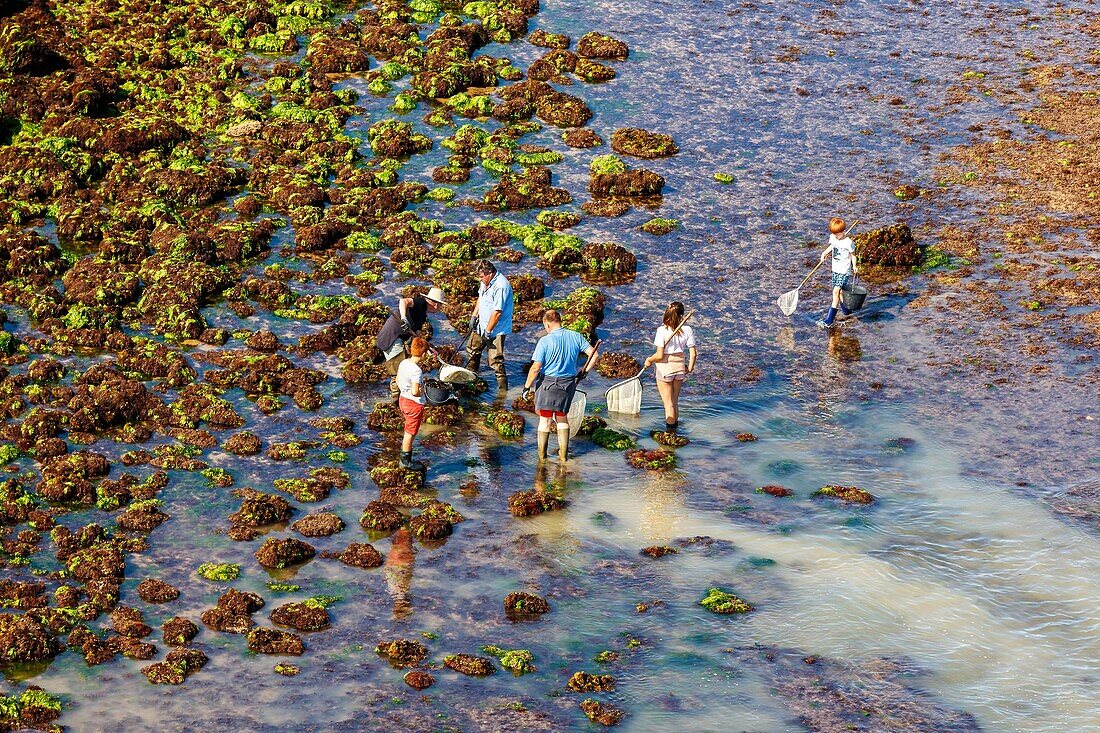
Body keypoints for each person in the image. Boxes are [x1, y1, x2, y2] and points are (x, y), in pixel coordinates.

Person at [522, 309, 599, 462]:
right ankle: (563, 457)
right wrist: (584, 372)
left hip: (547, 384)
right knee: (562, 418)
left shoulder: (545, 341)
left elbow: (536, 368)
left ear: (547, 323)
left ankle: (542, 459)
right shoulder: (575, 336)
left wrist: (526, 387)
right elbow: (594, 355)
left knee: (545, 421)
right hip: (568, 384)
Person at [376, 287, 447, 401]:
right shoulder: (420, 303)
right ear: (435, 304)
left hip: (399, 338)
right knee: (397, 372)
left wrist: (427, 348)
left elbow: (416, 336)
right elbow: (403, 301)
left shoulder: (423, 315)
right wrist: (404, 318)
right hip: (391, 337)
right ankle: (396, 402)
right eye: (440, 305)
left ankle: (401, 399)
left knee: (402, 368)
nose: (440, 308)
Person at [643, 301, 696, 431]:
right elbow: (693, 353)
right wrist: (689, 367)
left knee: (668, 404)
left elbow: (659, 355)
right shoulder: (687, 329)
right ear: (682, 315)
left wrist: (649, 359)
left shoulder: (661, 330)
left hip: (665, 369)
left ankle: (670, 433)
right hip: (679, 368)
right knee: (674, 401)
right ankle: (675, 430)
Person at [465, 260, 513, 389]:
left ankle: (503, 392)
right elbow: (481, 297)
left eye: (481, 277)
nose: (480, 279)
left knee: (495, 361)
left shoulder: (501, 286)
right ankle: (471, 377)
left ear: (490, 273)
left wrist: (488, 331)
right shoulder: (485, 282)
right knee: (472, 350)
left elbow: (497, 312)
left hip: (496, 329)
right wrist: (474, 316)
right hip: (482, 324)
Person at [816, 217, 857, 329]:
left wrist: (855, 266)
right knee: (839, 293)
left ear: (843, 232)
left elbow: (853, 255)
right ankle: (847, 311)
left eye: (837, 234)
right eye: (833, 234)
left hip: (844, 271)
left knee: (835, 292)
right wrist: (824, 253)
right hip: (835, 270)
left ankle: (829, 319)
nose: (834, 236)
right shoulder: (833, 238)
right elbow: (832, 246)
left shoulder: (848, 243)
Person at [396, 337, 429, 469]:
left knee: (408, 429)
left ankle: (405, 458)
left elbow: (398, 380)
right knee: (410, 433)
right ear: (424, 354)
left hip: (402, 400)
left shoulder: (404, 362)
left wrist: (405, 389)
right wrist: (423, 392)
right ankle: (405, 462)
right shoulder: (417, 371)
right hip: (413, 404)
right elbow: (415, 391)